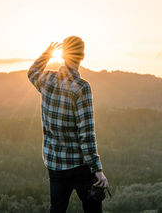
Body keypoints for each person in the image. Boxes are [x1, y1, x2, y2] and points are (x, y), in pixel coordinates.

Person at [27, 36, 108, 213]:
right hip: (79, 165)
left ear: (63, 55)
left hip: (55, 164)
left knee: (57, 209)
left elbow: (32, 73)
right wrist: (97, 170)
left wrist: (46, 54)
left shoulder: (47, 79)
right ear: (82, 56)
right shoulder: (81, 87)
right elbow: (86, 134)